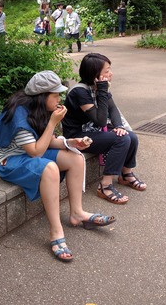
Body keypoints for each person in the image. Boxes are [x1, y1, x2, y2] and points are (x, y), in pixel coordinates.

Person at [0, 71, 116, 263]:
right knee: (49, 168)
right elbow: (36, 152)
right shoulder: (19, 115)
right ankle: (56, 231)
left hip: (29, 152)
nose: (59, 98)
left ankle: (77, 213)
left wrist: (73, 142)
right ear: (42, 96)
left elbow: (48, 141)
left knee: (76, 158)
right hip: (9, 160)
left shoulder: (39, 108)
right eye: (55, 95)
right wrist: (53, 122)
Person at [62, 53, 147, 205]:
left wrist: (119, 126)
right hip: (78, 136)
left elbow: (112, 109)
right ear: (95, 74)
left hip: (93, 131)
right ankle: (105, 185)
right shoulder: (79, 92)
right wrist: (102, 89)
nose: (111, 74)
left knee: (130, 136)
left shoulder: (100, 88)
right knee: (121, 139)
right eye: (107, 71)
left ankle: (126, 175)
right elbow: (101, 120)